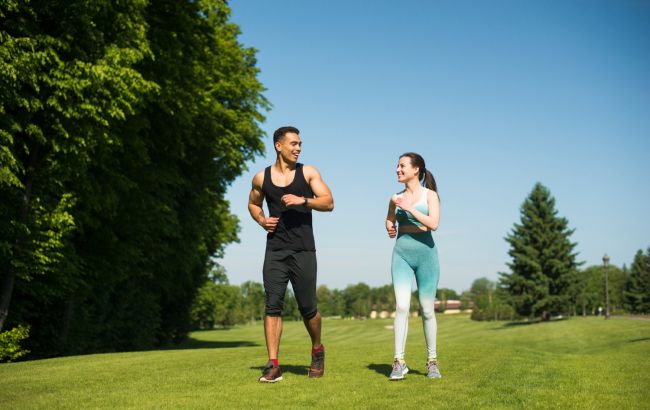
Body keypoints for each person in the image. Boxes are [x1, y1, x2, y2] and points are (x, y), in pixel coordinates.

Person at [248, 126, 334, 383]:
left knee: (308, 308)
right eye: (293, 144)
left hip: (303, 249)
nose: (298, 148)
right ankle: (273, 364)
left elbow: (329, 202)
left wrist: (303, 201)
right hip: (275, 249)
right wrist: (262, 220)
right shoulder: (261, 178)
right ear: (278, 146)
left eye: (300, 144)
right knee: (272, 305)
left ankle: (317, 349)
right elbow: (253, 203)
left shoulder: (307, 172)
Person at [385, 152, 442, 380]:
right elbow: (390, 218)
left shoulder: (431, 196)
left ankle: (432, 361)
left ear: (416, 169)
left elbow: (434, 224)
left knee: (427, 311)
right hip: (401, 256)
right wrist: (390, 226)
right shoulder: (395, 197)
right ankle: (399, 361)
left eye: (402, 166)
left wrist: (410, 209)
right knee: (401, 307)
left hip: (427, 257)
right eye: (397, 166)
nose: (397, 170)